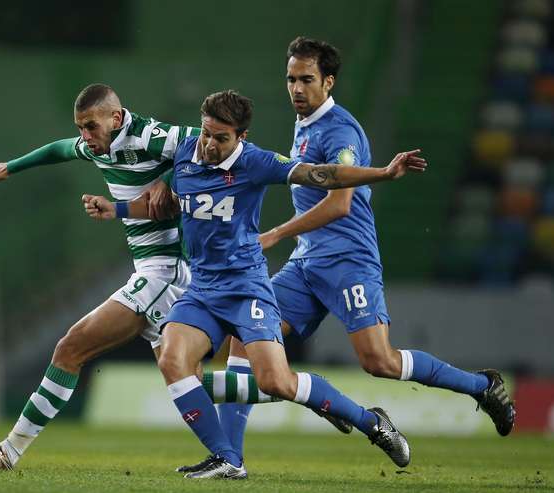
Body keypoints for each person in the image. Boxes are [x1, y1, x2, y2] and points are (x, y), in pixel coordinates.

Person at [196, 37, 516, 465]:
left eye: (306, 79)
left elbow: (340, 201)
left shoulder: (341, 130)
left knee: (378, 361)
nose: (296, 88)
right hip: (306, 264)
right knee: (243, 337)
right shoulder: (304, 122)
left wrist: (275, 234)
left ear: (328, 82)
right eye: (291, 78)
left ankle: (482, 387)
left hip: (348, 261)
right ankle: (229, 459)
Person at [83, 89, 427, 478]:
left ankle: (371, 422)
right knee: (173, 360)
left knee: (275, 381)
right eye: (206, 133)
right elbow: (174, 204)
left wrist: (382, 173)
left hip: (247, 287)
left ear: (241, 137)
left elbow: (322, 174)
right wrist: (119, 209)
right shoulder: (186, 153)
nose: (209, 144)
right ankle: (227, 458)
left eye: (221, 138)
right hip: (202, 288)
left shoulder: (257, 162)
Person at [0, 83, 199, 470]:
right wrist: (10, 167)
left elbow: (207, 144)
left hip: (165, 270)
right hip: (153, 270)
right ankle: (301, 390)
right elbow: (59, 148)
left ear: (117, 118)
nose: (85, 138)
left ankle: (8, 452)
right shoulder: (98, 145)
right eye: (81, 128)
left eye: (91, 127)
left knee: (70, 348)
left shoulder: (149, 136)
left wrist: (170, 179)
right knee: (189, 383)